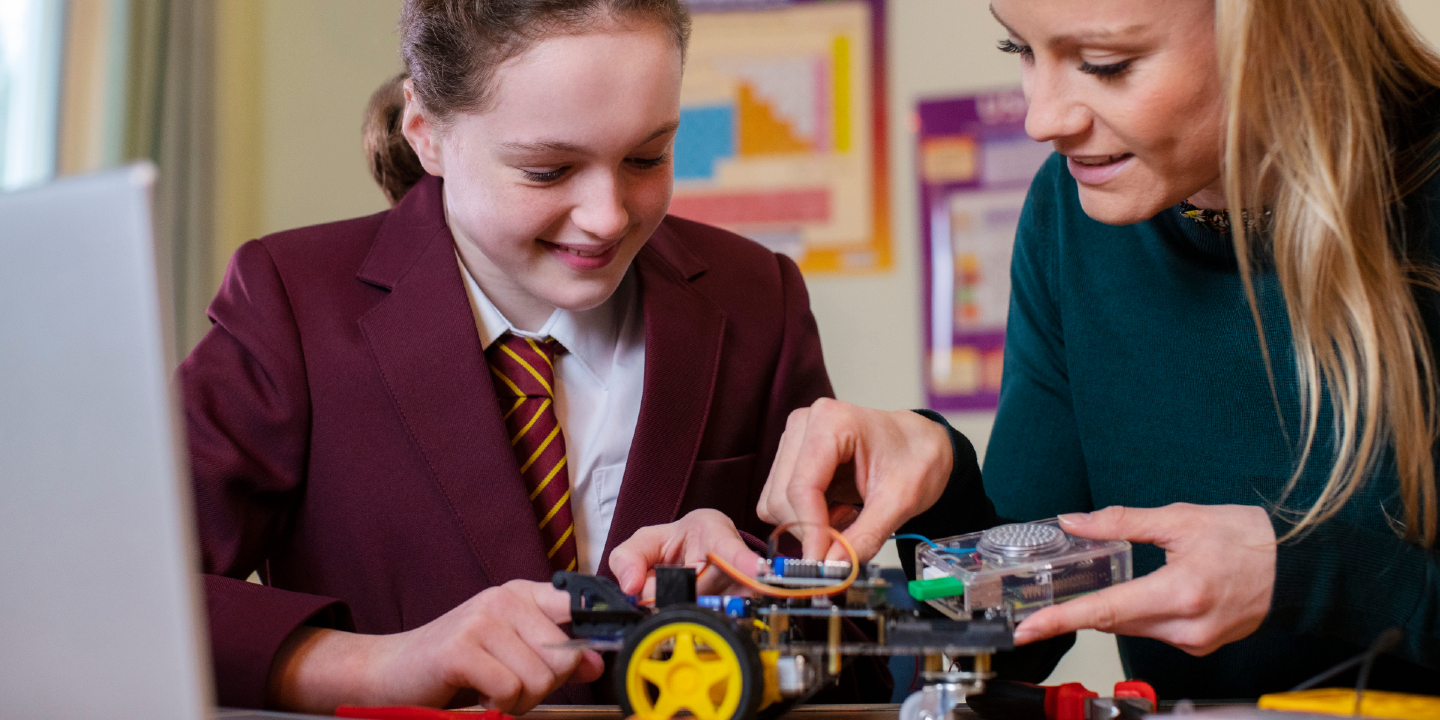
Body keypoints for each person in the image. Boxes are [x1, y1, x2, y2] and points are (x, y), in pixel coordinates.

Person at [612, 0, 1440, 699]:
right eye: (1020, 49)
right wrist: (937, 473)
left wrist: (1309, 579)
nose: (1043, 117)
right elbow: (1007, 635)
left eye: (1107, 65)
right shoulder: (1072, 212)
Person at [181, 0, 888, 712]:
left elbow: (850, 633)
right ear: (425, 131)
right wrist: (374, 665)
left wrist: (755, 585)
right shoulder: (292, 304)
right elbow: (113, 588)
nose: (607, 216)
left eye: (647, 157)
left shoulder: (756, 299)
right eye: (548, 171)